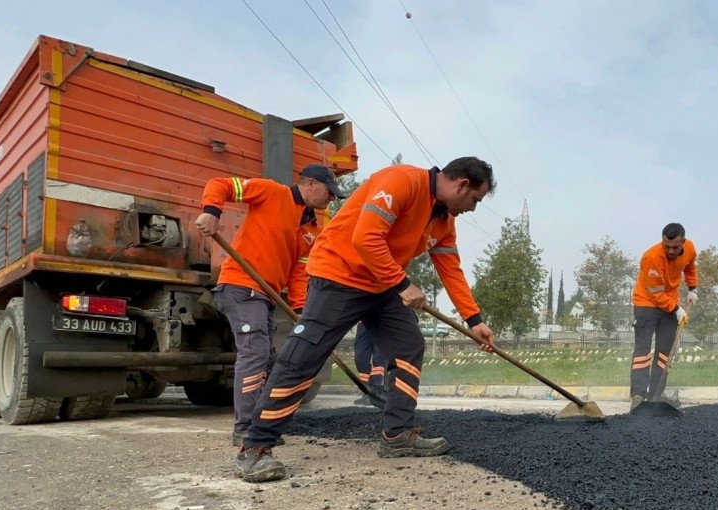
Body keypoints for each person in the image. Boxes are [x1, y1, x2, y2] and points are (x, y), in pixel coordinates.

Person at [236, 157, 497, 483]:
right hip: (339, 275)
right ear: (461, 185)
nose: (473, 208)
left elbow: (450, 270)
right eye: (475, 199)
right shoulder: (402, 181)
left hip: (381, 284)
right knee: (304, 356)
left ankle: (397, 434)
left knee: (409, 344)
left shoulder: (443, 220)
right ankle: (255, 447)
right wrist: (404, 284)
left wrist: (475, 321)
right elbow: (366, 237)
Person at [194, 164, 345, 447]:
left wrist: (302, 309)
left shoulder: (312, 227)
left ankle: (260, 422)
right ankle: (245, 427)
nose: (331, 199)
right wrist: (211, 212)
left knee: (271, 357)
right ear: (310, 184)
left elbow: (300, 271)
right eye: (329, 192)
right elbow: (220, 183)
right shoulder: (271, 192)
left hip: (266, 295)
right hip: (240, 286)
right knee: (255, 352)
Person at [630, 223, 698, 410]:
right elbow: (654, 292)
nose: (670, 250)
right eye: (666, 246)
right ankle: (638, 396)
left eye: (675, 247)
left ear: (683, 242)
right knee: (643, 350)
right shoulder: (651, 257)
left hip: (670, 303)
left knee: (664, 353)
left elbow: (690, 267)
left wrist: (692, 288)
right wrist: (675, 309)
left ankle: (655, 396)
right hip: (646, 303)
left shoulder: (690, 248)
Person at [353, 322, 388, 407]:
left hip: (381, 323)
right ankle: (367, 391)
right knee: (360, 359)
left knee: (378, 360)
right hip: (363, 324)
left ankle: (375, 393)